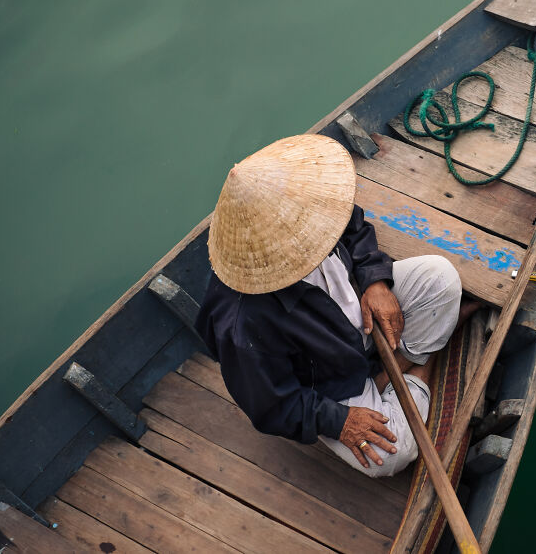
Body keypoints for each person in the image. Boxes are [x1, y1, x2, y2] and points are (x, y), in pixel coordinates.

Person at [195, 134, 464, 477]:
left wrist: (375, 280)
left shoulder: (309, 201)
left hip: (362, 318)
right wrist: (338, 421)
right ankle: (421, 366)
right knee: (394, 454)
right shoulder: (242, 322)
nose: (318, 231)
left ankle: (401, 366)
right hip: (333, 378)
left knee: (439, 277)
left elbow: (354, 228)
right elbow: (273, 406)